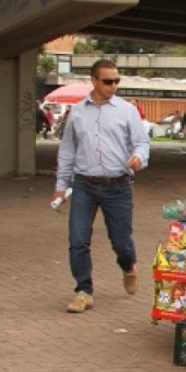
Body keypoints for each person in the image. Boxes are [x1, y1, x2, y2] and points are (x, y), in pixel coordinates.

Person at [55, 59, 150, 313]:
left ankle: (128, 265)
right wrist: (61, 185)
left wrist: (139, 157)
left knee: (121, 241)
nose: (113, 86)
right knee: (77, 239)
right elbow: (67, 151)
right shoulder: (77, 112)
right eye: (108, 81)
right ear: (94, 81)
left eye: (117, 81)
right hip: (84, 184)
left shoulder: (127, 111)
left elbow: (141, 143)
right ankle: (83, 290)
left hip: (117, 185)